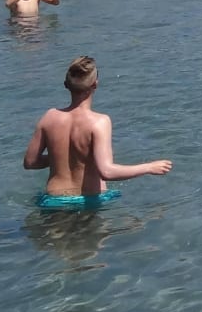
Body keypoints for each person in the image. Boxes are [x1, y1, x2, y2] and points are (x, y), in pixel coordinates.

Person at [23, 56, 172, 210]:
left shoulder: (49, 117)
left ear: (66, 85)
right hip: (87, 202)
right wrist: (149, 167)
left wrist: (60, 156)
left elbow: (30, 162)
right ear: (95, 84)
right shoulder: (99, 122)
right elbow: (107, 172)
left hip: (52, 201)